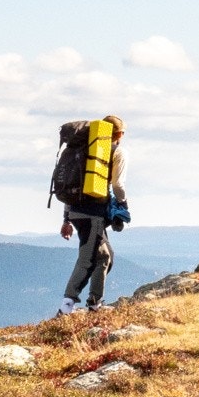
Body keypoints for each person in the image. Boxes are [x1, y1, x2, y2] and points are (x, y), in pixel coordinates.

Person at [58, 114, 126, 316]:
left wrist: (66, 219)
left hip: (77, 212)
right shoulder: (117, 151)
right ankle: (66, 307)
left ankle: (95, 303)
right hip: (93, 214)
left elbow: (72, 187)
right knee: (87, 259)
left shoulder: (81, 150)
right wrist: (122, 205)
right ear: (120, 133)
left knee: (105, 256)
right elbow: (118, 184)